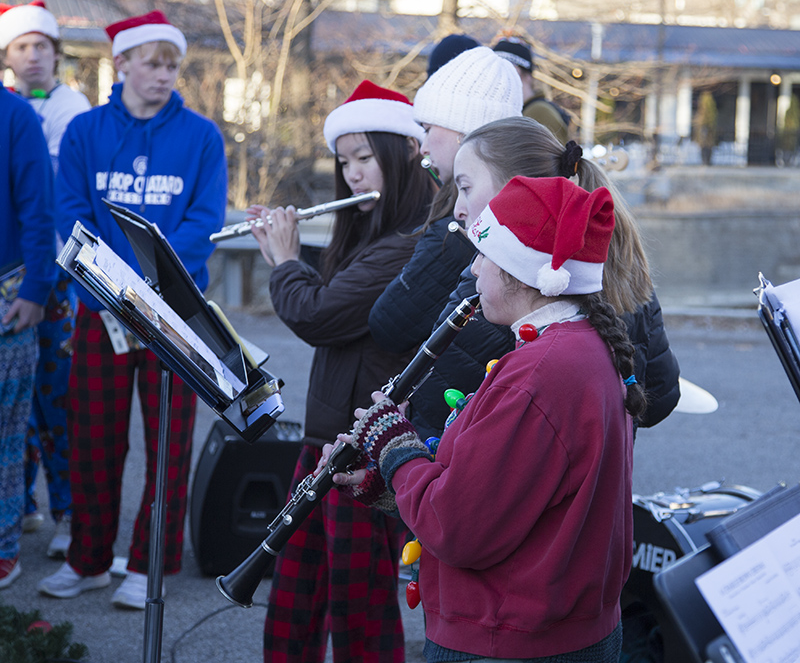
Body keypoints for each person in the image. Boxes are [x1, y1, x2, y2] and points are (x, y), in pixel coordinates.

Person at [325, 175, 644, 662]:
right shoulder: (575, 349)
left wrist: (396, 448)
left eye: (484, 256)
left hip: (508, 639)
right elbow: (512, 502)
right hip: (558, 631)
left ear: (521, 271)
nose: (473, 270)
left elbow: (458, 527)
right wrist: (393, 487)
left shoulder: (538, 374)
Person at [36, 10, 227, 610]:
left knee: (168, 442)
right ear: (120, 64)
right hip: (104, 311)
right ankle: (88, 558)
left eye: (173, 64)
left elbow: (205, 220)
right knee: (94, 438)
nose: (165, 74)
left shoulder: (201, 136)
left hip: (174, 315)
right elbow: (70, 213)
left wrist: (152, 283)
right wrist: (112, 290)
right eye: (153, 63)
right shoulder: (88, 132)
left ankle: (150, 564)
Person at [248, 79, 435, 662]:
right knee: (298, 594)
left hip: (361, 451)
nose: (352, 174)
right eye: (344, 161)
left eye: (365, 158)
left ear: (405, 153)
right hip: (328, 438)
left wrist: (284, 259)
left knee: (359, 609)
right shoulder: (371, 236)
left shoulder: (407, 244)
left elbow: (319, 314)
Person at [449, 116, 680, 431]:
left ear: (517, 189)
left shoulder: (501, 281)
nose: (457, 209)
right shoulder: (617, 264)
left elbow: (437, 403)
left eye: (465, 188)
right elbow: (659, 397)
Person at [368, 46, 522, 440]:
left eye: (427, 129)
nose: (421, 146)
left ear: (462, 131)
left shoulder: (477, 231)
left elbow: (388, 324)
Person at [0, 0, 91, 556]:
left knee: (56, 396)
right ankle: (24, 504)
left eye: (41, 46)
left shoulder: (71, 108)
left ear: (55, 53)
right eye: (20, 47)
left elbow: (52, 199)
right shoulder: (14, 109)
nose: (32, 57)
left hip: (56, 271)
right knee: (21, 408)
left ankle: (67, 509)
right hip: (25, 265)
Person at [0, 85, 56, 589]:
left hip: (9, 292)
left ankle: (4, 546)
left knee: (6, 431)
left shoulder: (16, 115)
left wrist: (38, 287)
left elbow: (39, 208)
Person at [493, 35, 571, 145]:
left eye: (508, 69)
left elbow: (550, 160)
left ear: (525, 75)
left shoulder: (539, 112)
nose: (499, 77)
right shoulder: (517, 112)